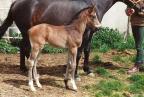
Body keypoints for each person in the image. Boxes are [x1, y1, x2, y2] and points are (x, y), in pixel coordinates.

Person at [125, 1, 144, 74]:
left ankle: (137, 66)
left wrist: (137, 11)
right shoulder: (132, 1)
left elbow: (141, 12)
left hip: (141, 25)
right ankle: (142, 62)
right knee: (138, 45)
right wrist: (128, 11)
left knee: (139, 46)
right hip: (134, 24)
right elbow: (127, 10)